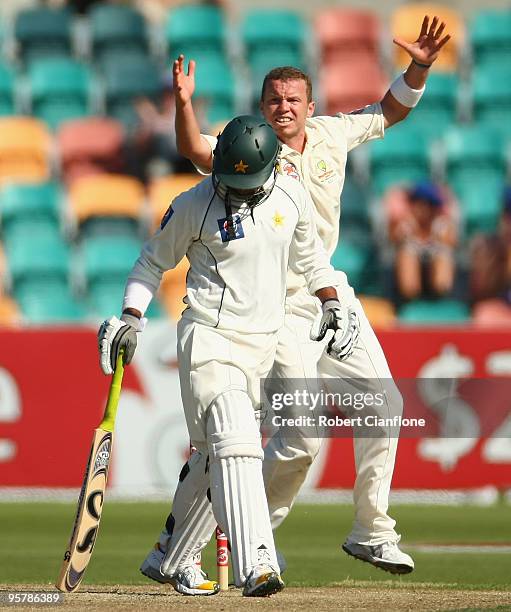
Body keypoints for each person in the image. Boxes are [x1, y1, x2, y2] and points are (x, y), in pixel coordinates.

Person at [140, 15, 451, 580]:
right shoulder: (248, 151)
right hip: (271, 307)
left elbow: (390, 110)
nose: (284, 107)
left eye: (294, 98)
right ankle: (254, 540)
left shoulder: (332, 133)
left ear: (310, 105)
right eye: (275, 99)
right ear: (262, 107)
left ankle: (371, 531)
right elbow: (194, 151)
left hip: (328, 291)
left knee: (386, 406)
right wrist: (184, 105)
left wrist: (420, 66)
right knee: (300, 436)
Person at [99, 115, 355, 596]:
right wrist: (131, 315)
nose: (235, 192)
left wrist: (330, 299)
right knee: (238, 440)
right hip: (209, 340)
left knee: (217, 458)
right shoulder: (195, 203)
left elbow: (311, 258)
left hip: (262, 344)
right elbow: (151, 262)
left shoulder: (291, 194)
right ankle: (257, 560)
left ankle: (170, 556)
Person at [388, 181, 458, 301]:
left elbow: (452, 242)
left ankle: (440, 296)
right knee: (406, 255)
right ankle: (409, 299)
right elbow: (393, 238)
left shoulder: (442, 224)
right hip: (410, 279)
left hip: (433, 272)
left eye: (428, 205)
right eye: (420, 203)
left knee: (444, 254)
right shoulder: (404, 224)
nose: (424, 209)